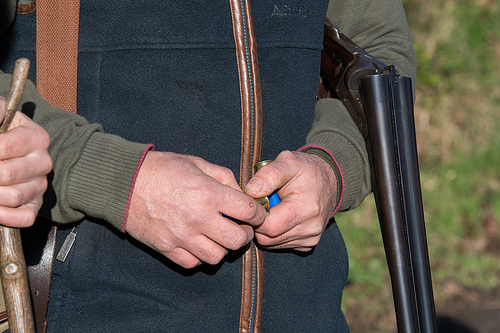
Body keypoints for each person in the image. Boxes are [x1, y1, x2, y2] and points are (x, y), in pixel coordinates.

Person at [0, 0, 417, 331]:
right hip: (77, 307)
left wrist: (332, 166)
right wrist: (112, 176)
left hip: (305, 311)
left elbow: (380, 50)